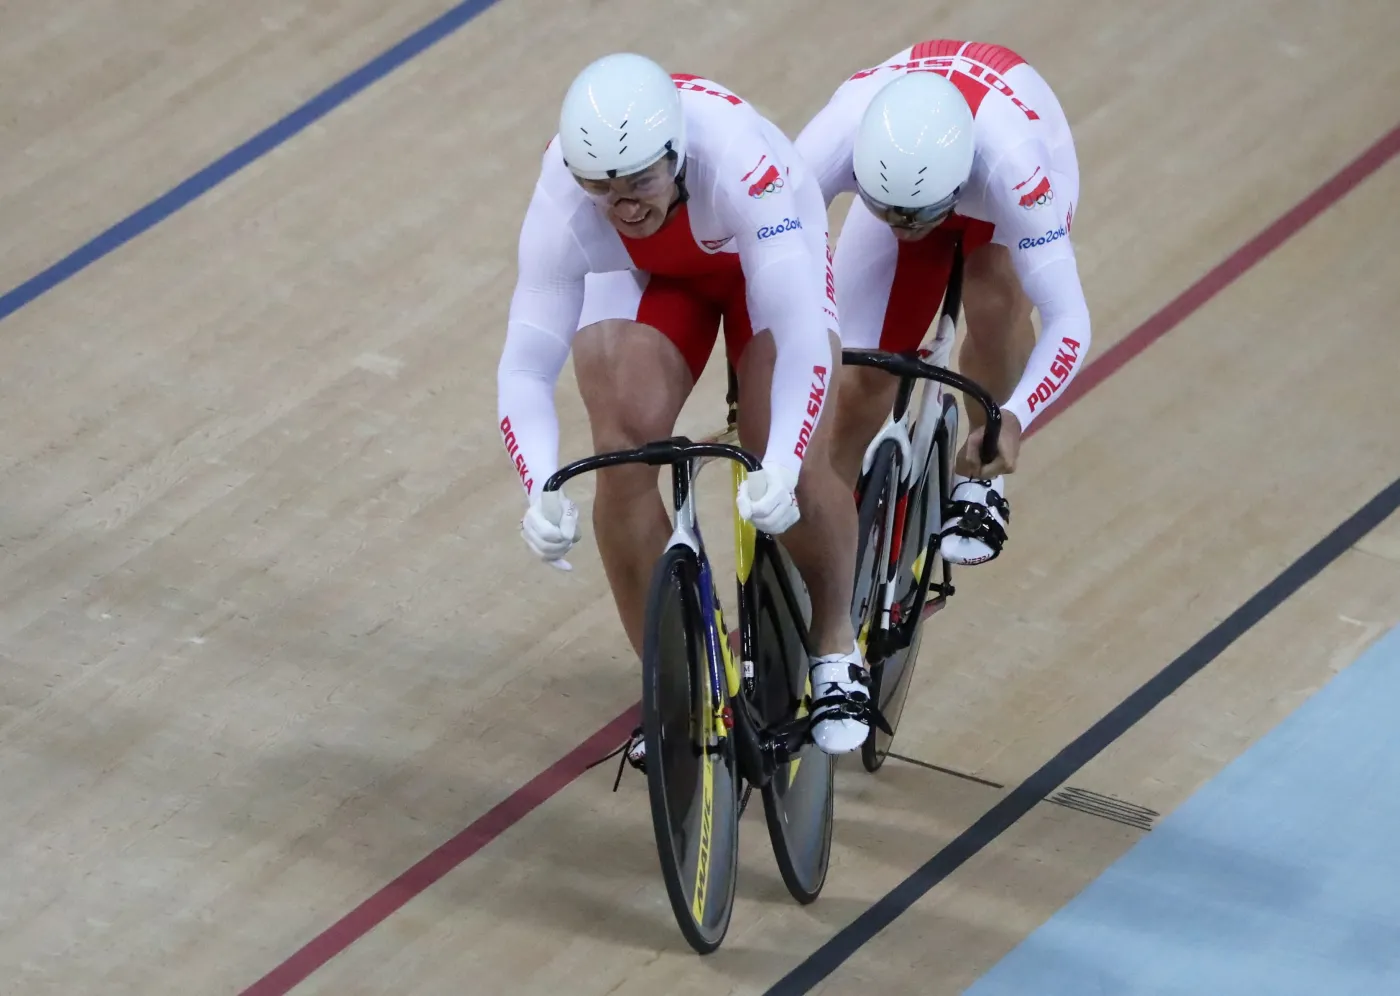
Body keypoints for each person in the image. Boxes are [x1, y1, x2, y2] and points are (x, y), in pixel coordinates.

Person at [495, 53, 874, 755]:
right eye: (602, 188)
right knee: (620, 452)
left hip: (765, 257)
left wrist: (785, 460)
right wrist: (538, 484)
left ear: (677, 154)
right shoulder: (564, 199)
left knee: (785, 449)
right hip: (656, 276)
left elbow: (802, 344)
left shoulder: (739, 162)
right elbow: (524, 365)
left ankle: (834, 647)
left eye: (641, 181)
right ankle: (675, 686)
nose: (625, 205)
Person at [796, 40, 1091, 565]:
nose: (902, 229)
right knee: (858, 374)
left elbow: (1068, 320)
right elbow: (775, 252)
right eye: (886, 212)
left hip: (1014, 165)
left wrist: (1014, 417)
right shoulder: (835, 136)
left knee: (994, 300)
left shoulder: (1016, 172)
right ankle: (825, 536)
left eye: (916, 218)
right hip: (915, 177)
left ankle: (981, 479)